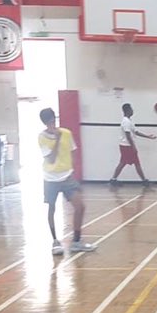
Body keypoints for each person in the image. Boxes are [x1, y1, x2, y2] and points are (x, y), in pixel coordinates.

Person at [38, 108, 95, 256]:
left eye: (53, 120)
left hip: (67, 177)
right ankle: (55, 241)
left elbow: (73, 151)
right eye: (49, 122)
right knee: (51, 209)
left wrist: (72, 169)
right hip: (50, 178)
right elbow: (50, 158)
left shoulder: (67, 133)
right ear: (45, 123)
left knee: (80, 206)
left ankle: (76, 241)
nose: (52, 124)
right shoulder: (42, 137)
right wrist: (56, 139)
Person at [109, 103, 156, 188]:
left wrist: (148, 136)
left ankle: (113, 179)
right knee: (135, 163)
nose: (132, 110)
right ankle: (144, 181)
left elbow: (136, 132)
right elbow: (128, 135)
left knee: (124, 163)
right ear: (127, 110)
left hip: (126, 146)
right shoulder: (126, 122)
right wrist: (133, 146)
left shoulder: (129, 121)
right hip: (127, 146)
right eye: (131, 109)